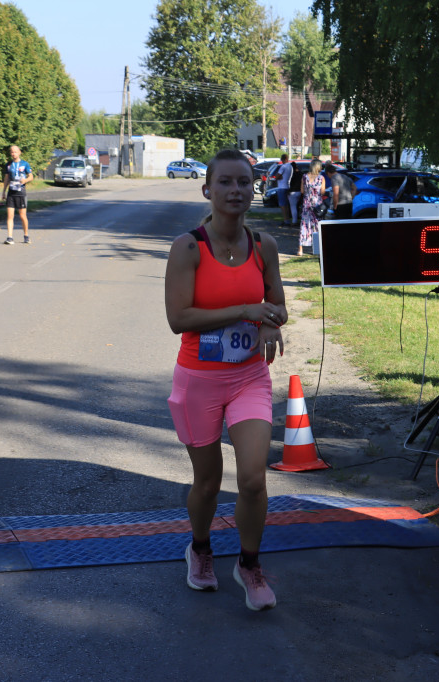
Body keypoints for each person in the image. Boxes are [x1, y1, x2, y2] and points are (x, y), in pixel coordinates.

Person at [164, 148, 288, 611]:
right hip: (199, 380)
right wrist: (245, 311)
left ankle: (249, 564)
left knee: (254, 478)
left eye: (244, 183)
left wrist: (272, 323)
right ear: (208, 190)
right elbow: (179, 319)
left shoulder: (264, 247)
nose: (236, 191)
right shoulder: (189, 247)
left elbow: (277, 306)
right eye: (226, 183)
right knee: (208, 483)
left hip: (249, 378)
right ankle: (199, 547)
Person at [2, 145, 34, 244]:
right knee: (10, 215)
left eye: (15, 152)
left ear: (19, 152)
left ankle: (26, 235)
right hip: (11, 192)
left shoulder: (25, 164)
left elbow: (31, 176)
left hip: (21, 192)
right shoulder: (8, 165)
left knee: (22, 215)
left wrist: (26, 180)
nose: (13, 154)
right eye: (12, 152)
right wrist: (4, 191)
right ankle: (10, 237)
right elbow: (7, 178)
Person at [299, 159, 327, 256]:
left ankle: (300, 249)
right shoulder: (321, 178)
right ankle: (315, 248)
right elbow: (322, 192)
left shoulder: (304, 177)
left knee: (304, 225)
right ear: (318, 167)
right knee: (316, 226)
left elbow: (302, 191)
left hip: (306, 204)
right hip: (317, 205)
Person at [274, 153, 292, 226]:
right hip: (287, 186)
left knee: (282, 205)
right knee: (286, 204)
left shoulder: (283, 167)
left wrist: (278, 177)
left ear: (282, 159)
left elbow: (277, 176)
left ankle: (286, 220)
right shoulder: (290, 166)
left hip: (281, 187)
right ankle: (287, 219)